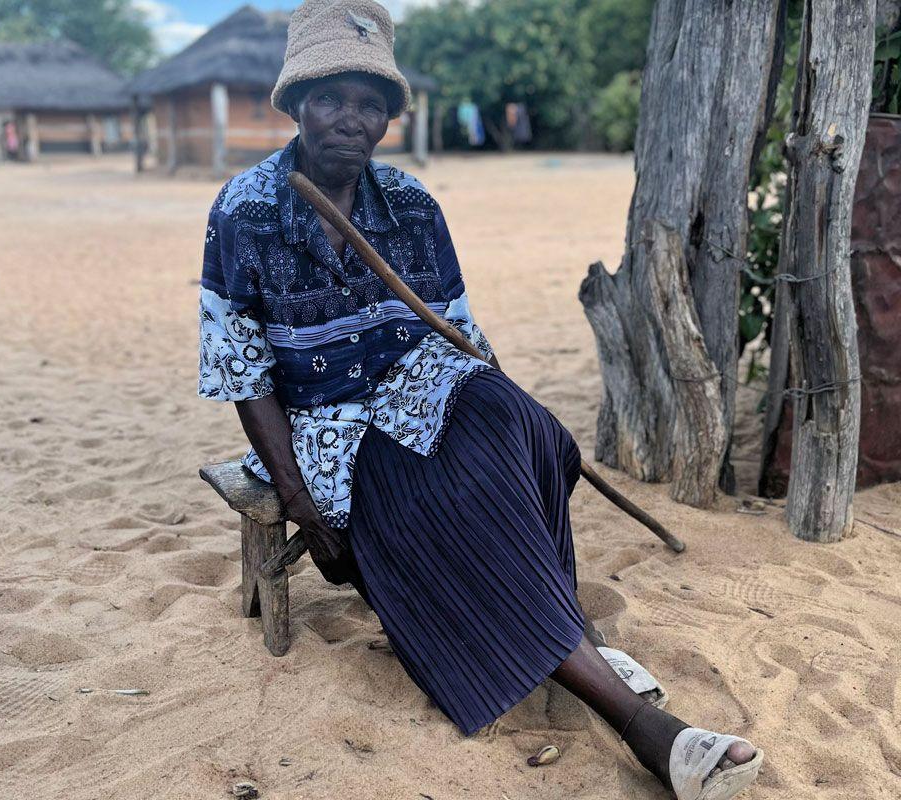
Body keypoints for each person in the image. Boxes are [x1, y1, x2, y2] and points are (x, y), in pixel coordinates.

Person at [197, 3, 764, 798]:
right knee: (432, 496)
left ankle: (555, 628)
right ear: (296, 104)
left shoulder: (414, 208)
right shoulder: (245, 212)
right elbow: (242, 371)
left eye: (370, 103)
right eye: (332, 98)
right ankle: (647, 728)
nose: (351, 121)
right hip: (318, 428)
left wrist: (492, 412)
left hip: (416, 391)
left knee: (528, 431)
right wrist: (301, 505)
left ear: (389, 118)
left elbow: (460, 339)